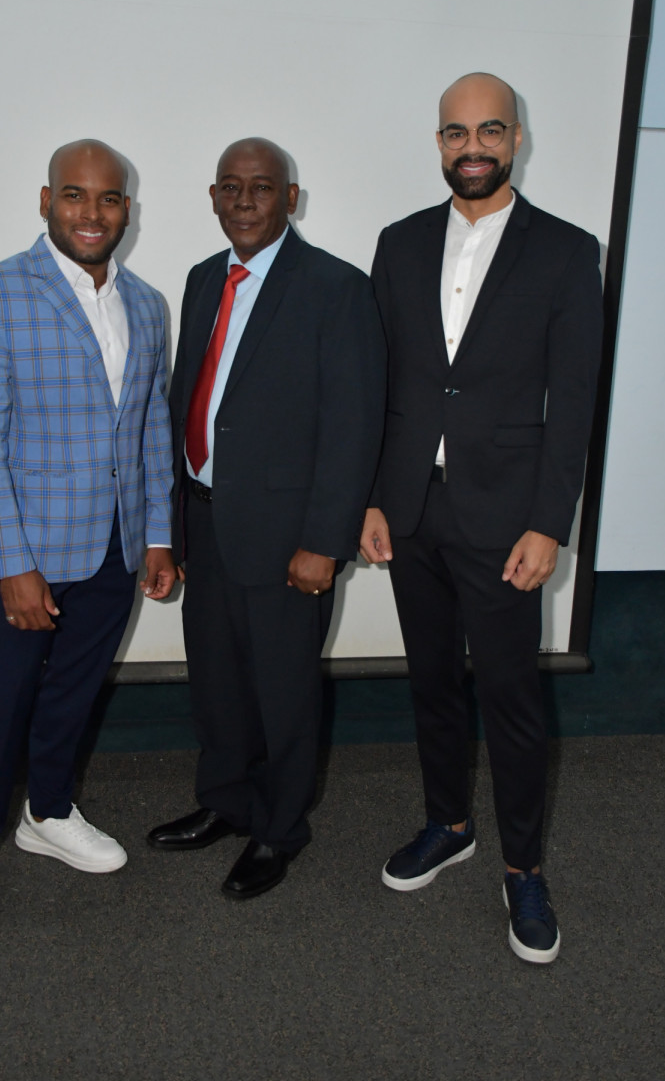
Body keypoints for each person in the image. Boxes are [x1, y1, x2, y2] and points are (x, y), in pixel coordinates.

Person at [360, 74, 603, 964]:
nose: (473, 146)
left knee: (510, 699)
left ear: (517, 140)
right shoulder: (399, 243)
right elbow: (380, 386)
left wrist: (550, 521)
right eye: (457, 132)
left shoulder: (569, 253)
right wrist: (376, 497)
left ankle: (524, 869)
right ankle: (447, 822)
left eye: (490, 130)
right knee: (431, 681)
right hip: (413, 511)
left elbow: (573, 402)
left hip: (507, 520)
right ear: (437, 142)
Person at [0, 139, 175, 944]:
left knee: (74, 693)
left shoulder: (146, 304)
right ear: (46, 201)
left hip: (114, 548)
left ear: (126, 212)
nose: (91, 213)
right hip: (28, 554)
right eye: (75, 196)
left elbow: (148, 429)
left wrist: (158, 536)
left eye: (108, 200)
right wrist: (10, 564)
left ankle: (47, 812)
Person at [147, 137, 385, 899]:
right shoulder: (199, 281)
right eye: (230, 187)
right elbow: (192, 396)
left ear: (291, 199)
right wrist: (175, 525)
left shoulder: (335, 287)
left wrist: (325, 542)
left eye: (262, 187)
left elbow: (353, 426)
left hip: (290, 538)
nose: (245, 200)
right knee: (217, 684)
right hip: (209, 521)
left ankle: (280, 830)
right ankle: (226, 802)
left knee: (283, 691)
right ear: (213, 198)